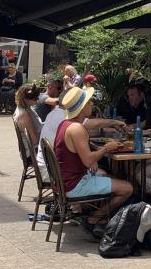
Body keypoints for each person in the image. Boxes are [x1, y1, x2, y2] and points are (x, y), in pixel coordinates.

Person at [54, 86, 132, 226]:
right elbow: (89, 160)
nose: (92, 104)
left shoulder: (65, 124)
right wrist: (106, 148)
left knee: (111, 176)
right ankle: (95, 218)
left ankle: (96, 214)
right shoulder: (77, 129)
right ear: (82, 108)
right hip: (75, 185)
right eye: (89, 102)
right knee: (127, 188)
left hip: (66, 182)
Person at [37, 95, 125, 181]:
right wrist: (104, 149)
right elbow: (91, 125)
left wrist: (89, 157)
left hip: (52, 167)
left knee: (102, 168)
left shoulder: (55, 113)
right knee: (119, 182)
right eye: (87, 102)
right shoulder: (66, 118)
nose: (91, 104)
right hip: (56, 174)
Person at [13, 83, 42, 148]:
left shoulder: (26, 108)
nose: (37, 101)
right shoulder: (24, 115)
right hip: (33, 152)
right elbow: (35, 140)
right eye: (35, 99)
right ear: (25, 99)